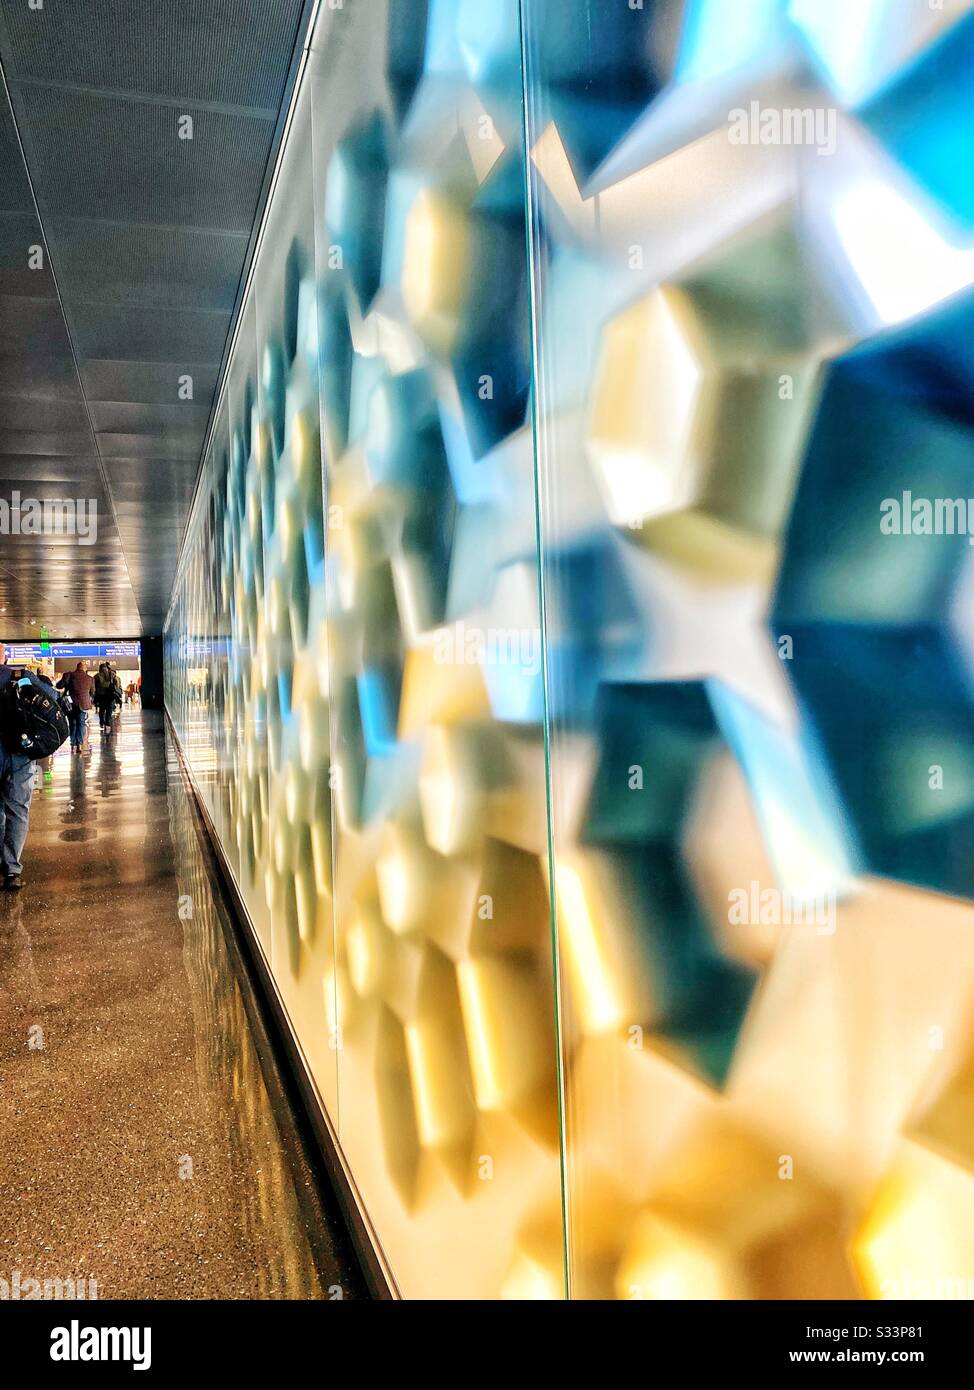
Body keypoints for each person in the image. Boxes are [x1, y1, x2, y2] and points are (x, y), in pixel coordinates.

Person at [0, 642, 48, 890]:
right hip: (20, 752)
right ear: (5, 657)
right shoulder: (22, 677)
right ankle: (11, 868)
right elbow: (52, 701)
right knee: (17, 809)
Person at [58, 662, 94, 751]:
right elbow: (92, 692)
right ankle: (80, 744)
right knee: (81, 723)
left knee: (73, 723)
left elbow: (59, 686)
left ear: (77, 667)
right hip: (84, 704)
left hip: (71, 703)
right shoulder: (90, 678)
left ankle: (73, 744)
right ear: (85, 669)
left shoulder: (70, 675)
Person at [92, 662, 121, 732]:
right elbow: (117, 683)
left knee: (101, 710)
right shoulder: (112, 674)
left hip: (101, 695)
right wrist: (116, 689)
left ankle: (101, 722)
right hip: (110, 694)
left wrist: (94, 694)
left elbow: (94, 686)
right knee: (109, 709)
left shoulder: (97, 676)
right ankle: (107, 722)